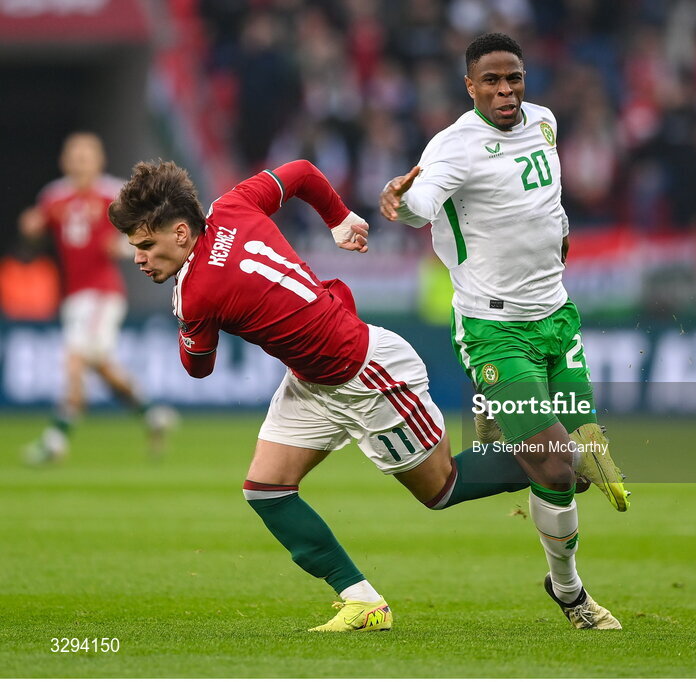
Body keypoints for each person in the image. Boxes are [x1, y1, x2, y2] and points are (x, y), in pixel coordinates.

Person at [108, 158, 613, 632]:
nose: (138, 258)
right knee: (266, 488)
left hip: (368, 378)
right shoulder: (233, 205)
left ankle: (556, 455)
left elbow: (198, 368)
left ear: (180, 232)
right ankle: (362, 600)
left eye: (146, 246)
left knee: (442, 489)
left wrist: (183, 313)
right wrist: (340, 218)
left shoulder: (197, 293)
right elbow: (302, 173)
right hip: (313, 377)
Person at [380, 32, 627, 629]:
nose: (505, 90)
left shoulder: (544, 122)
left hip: (557, 318)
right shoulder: (454, 147)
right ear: (470, 86)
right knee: (560, 466)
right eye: (490, 80)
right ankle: (569, 593)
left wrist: (559, 234)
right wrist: (402, 203)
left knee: (572, 461)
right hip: (495, 329)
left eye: (513, 77)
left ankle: (502, 430)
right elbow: (426, 201)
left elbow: (548, 200)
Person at [20, 133, 176, 465]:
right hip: (74, 295)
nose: (79, 161)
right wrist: (30, 226)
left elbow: (144, 233)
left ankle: (56, 439)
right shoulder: (54, 196)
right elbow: (38, 225)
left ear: (99, 159)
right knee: (100, 364)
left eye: (86, 155)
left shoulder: (114, 194)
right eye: (74, 155)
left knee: (75, 359)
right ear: (64, 160)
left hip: (103, 293)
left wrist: (122, 247)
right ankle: (151, 413)